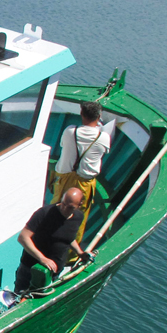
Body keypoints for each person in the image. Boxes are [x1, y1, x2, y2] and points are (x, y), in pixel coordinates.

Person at [53, 101, 114, 239]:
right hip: (85, 183)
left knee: (56, 209)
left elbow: (64, 145)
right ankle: (71, 253)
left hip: (64, 178)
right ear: (99, 116)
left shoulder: (70, 131)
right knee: (77, 217)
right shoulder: (103, 137)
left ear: (81, 114)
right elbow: (104, 151)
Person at [16, 187, 89, 292]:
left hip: (54, 273)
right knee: (20, 298)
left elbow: (69, 237)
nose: (64, 209)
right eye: (63, 204)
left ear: (79, 205)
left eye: (70, 207)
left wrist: (80, 253)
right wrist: (42, 258)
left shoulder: (78, 217)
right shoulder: (44, 214)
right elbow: (23, 237)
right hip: (31, 271)